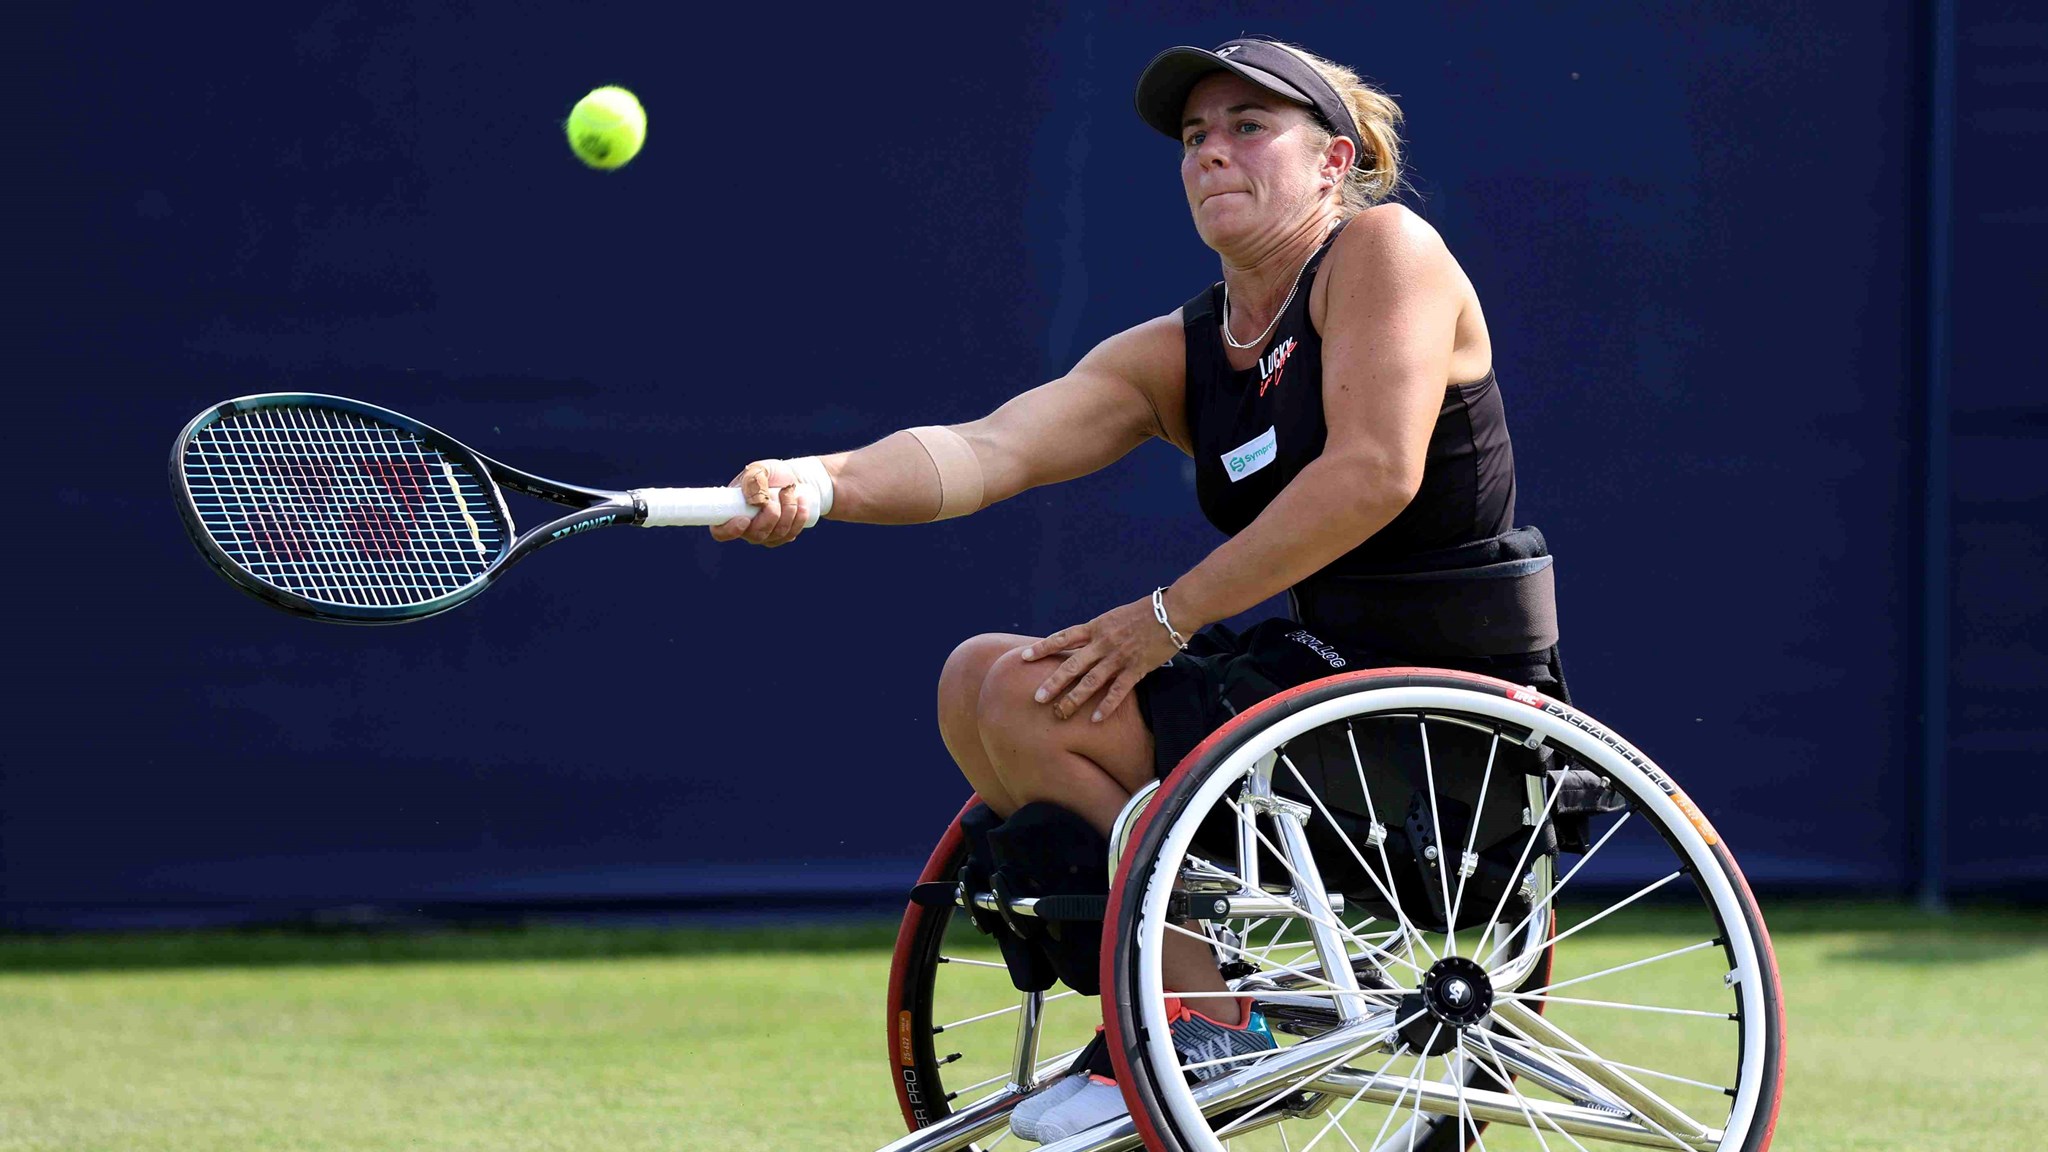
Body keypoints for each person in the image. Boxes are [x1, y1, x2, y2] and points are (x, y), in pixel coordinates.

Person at [711, 36, 1567, 1142]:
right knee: (981, 677)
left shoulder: (1382, 249)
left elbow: (1370, 476)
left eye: (1248, 128)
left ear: (1332, 162)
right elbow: (988, 448)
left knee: (1026, 694)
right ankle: (1175, 1004)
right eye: (1195, 137)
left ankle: (1201, 1019)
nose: (1212, 152)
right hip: (1313, 685)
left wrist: (1165, 618)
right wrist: (819, 483)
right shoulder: (1182, 349)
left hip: (1443, 704)